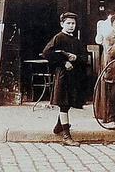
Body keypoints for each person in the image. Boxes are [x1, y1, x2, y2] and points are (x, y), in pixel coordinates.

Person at [42, 12, 88, 146]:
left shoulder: (76, 41)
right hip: (62, 75)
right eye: (68, 23)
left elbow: (84, 57)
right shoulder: (58, 38)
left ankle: (58, 127)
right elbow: (46, 53)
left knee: (67, 103)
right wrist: (63, 62)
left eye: (73, 23)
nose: (71, 26)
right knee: (63, 104)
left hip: (73, 76)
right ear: (62, 24)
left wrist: (76, 58)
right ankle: (66, 136)